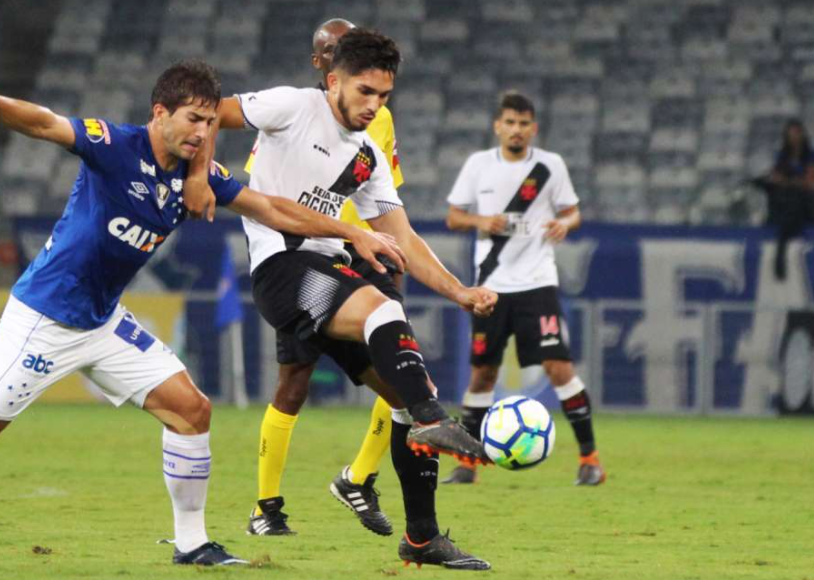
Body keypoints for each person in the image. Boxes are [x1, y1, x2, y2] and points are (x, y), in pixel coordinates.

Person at [0, 60, 408, 566]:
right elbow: (41, 122)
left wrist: (348, 233)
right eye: (191, 120)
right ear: (158, 113)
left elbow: (272, 209)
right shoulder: (116, 146)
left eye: (205, 122)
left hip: (103, 322)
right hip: (45, 318)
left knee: (191, 410)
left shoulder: (201, 174)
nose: (200, 133)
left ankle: (191, 545)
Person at [184, 29, 497, 570]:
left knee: (405, 394)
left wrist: (459, 292)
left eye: (384, 96)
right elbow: (209, 112)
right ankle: (429, 419)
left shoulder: (369, 156)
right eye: (364, 92)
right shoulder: (293, 105)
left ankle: (422, 538)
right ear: (333, 81)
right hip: (282, 270)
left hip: (328, 269)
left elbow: (403, 237)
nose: (374, 105)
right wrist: (198, 176)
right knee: (383, 310)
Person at [235, 18, 417, 540]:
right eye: (336, 53)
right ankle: (265, 505)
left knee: (402, 361)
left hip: (367, 257)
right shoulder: (293, 113)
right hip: (306, 257)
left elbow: (387, 199)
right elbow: (268, 193)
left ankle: (360, 476)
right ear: (324, 66)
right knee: (294, 383)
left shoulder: (376, 117)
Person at [443, 91, 605, 486]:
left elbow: (573, 212)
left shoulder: (550, 166)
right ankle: (468, 465)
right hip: (491, 287)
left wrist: (566, 224)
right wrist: (483, 221)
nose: (517, 130)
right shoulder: (478, 165)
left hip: (537, 283)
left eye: (524, 124)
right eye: (510, 123)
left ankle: (590, 460)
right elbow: (452, 217)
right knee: (482, 374)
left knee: (559, 367)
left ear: (534, 128)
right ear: (498, 126)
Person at [764, 119, 814, 279]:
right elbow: (775, 178)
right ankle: (779, 266)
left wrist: (789, 182)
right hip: (786, 203)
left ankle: (780, 264)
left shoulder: (810, 156)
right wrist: (793, 182)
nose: (794, 138)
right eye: (790, 134)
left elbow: (810, 183)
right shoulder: (782, 157)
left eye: (797, 133)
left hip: (806, 204)